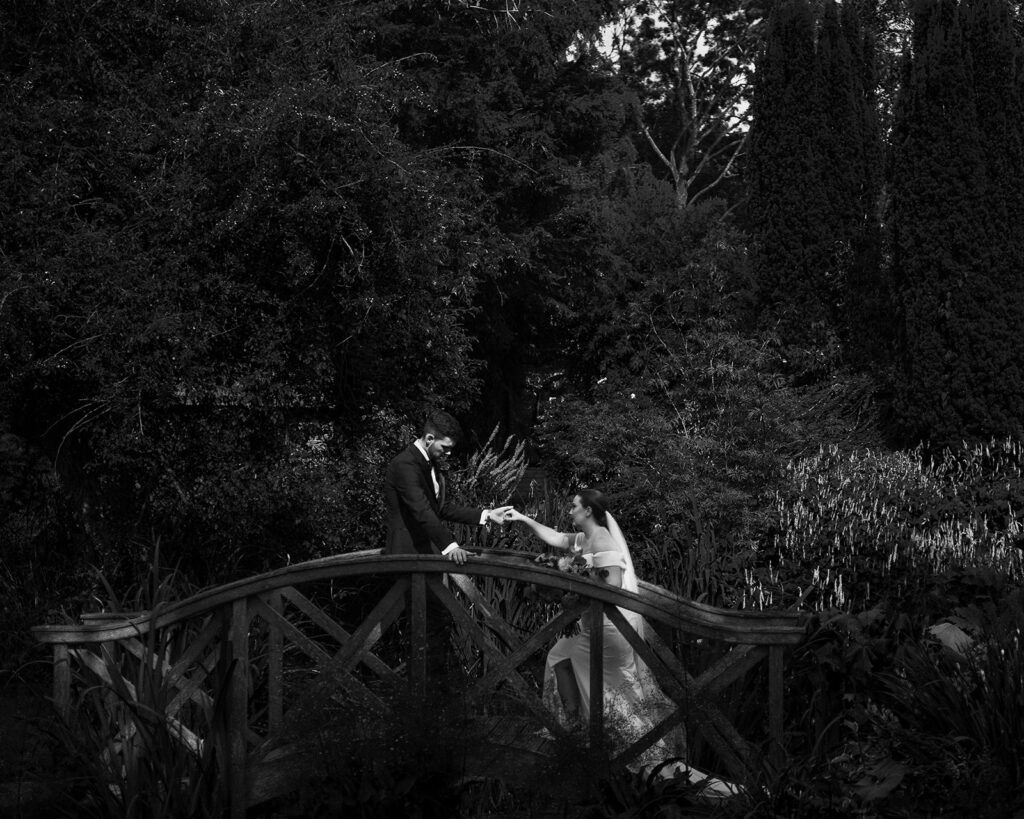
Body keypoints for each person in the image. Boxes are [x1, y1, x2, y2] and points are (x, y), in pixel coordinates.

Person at [505, 491, 740, 796]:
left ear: (588, 510)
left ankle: (650, 761)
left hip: (608, 631)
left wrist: (573, 589)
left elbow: (612, 587)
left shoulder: (603, 542)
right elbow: (557, 539)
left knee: (613, 695)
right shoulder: (583, 539)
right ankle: (578, 730)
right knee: (561, 657)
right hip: (592, 627)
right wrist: (523, 519)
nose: (570, 510)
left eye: (574, 506)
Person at [383, 410, 511, 675]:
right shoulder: (405, 465)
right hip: (409, 556)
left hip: (426, 557)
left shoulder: (430, 465)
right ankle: (421, 691)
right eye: (445, 447)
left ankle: (433, 689)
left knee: (436, 622)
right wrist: (451, 546)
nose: (449, 453)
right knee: (425, 624)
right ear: (429, 438)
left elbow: (442, 508)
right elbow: (422, 512)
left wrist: (486, 515)